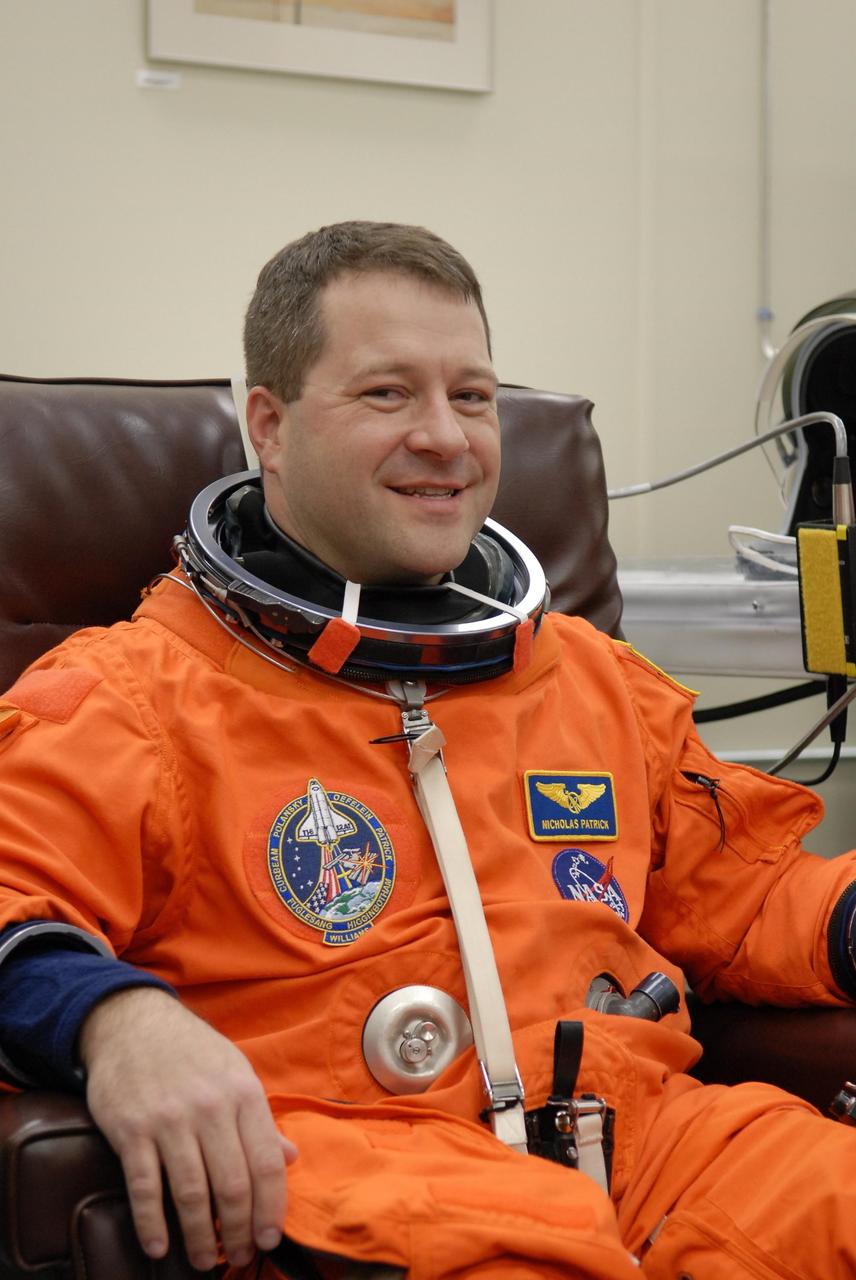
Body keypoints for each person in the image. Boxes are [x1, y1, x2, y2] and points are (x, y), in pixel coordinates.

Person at [1, 220, 856, 1280]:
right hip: (368, 1170)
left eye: (472, 396)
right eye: (387, 393)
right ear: (269, 426)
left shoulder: (589, 679)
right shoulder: (133, 697)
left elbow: (748, 893)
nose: (446, 437)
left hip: (652, 1147)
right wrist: (117, 1020)